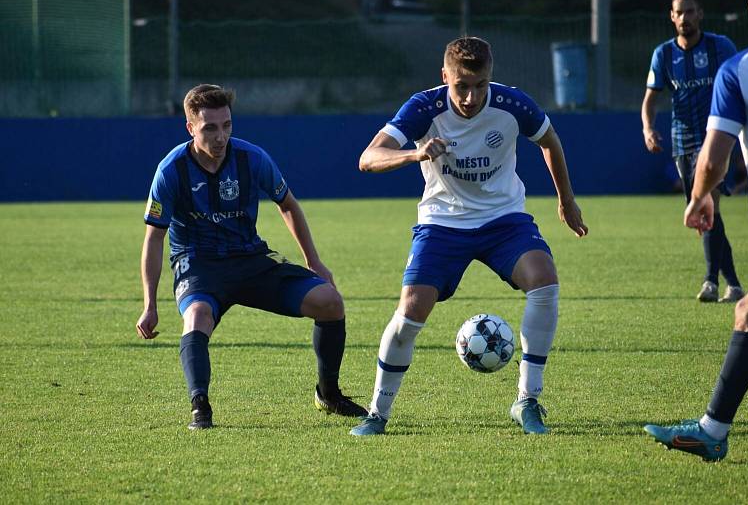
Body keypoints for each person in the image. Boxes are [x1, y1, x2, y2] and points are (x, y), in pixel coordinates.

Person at [349, 37, 589, 436]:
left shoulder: (513, 104)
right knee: (411, 307)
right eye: (461, 86)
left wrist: (567, 201)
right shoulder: (423, 107)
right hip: (442, 222)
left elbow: (550, 142)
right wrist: (416, 153)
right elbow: (368, 158)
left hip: (503, 218)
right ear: (445, 77)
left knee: (544, 278)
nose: (471, 96)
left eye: (480, 85)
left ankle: (527, 401)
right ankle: (378, 413)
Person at [136, 84, 366, 429]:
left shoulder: (251, 158)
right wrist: (150, 303)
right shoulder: (171, 170)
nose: (220, 136)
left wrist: (314, 261)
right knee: (197, 316)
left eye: (226, 125)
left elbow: (288, 205)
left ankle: (328, 394)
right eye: (209, 128)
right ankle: (200, 406)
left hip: (250, 258)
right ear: (190, 128)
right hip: (199, 264)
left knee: (330, 302)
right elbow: (154, 237)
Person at [644, 0, 748, 461]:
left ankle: (712, 430)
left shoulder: (741, 68)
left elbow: (712, 157)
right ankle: (712, 431)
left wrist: (699, 197)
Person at [641, 0, 744, 303]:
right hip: (682, 141)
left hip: (716, 137)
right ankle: (734, 284)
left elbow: (741, 84)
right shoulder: (663, 54)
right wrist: (647, 128)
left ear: (700, 14)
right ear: (672, 17)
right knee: (704, 213)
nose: (684, 18)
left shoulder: (720, 47)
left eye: (690, 11)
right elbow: (650, 99)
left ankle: (711, 282)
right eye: (679, 12)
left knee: (708, 206)